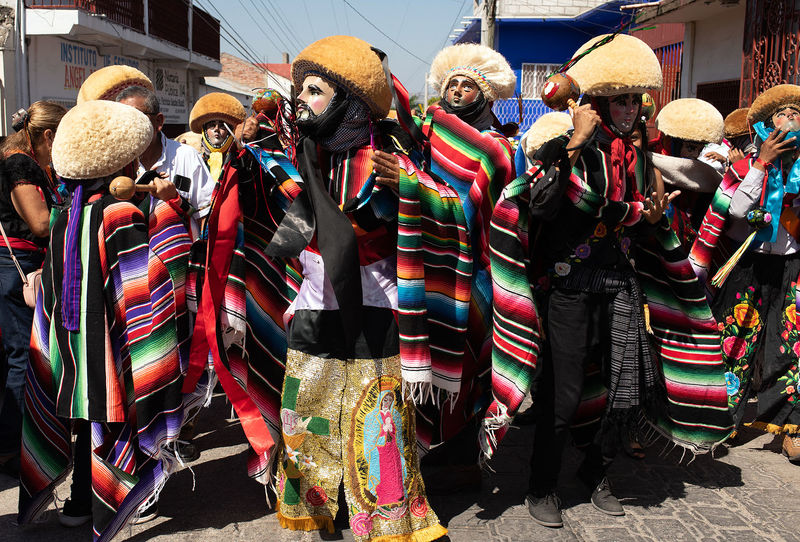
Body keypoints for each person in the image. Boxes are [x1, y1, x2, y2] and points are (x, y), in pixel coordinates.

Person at [488, 34, 733, 528]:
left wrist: (654, 214)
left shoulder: (641, 159)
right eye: (619, 99)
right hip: (570, 287)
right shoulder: (565, 147)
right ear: (598, 102)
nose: (629, 108)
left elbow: (675, 203)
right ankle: (543, 484)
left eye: (634, 99)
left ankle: (597, 473)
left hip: (620, 285)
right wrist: (578, 143)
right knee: (563, 392)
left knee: (624, 389)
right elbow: (541, 205)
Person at [16, 99, 191, 539]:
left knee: (83, 416)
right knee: (115, 415)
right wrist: (169, 210)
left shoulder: (67, 213)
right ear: (122, 160)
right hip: (113, 342)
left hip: (73, 340)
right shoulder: (119, 213)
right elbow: (151, 285)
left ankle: (77, 501)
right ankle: (108, 501)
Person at [690, 84, 800, 463]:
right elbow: (736, 209)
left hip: (792, 265)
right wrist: (761, 164)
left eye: (795, 116)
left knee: (790, 346)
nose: (790, 122)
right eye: (782, 116)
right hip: (749, 263)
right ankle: (722, 423)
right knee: (735, 342)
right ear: (768, 126)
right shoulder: (744, 164)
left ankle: (790, 428)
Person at [0, 101, 66, 477]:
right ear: (46, 135)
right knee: (22, 357)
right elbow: (41, 224)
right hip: (17, 269)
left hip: (16, 268)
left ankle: (16, 443)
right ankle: (11, 447)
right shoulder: (20, 164)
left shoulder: (21, 161)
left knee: (23, 355)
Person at [117, 85, 214, 240]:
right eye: (121, 119)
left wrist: (175, 200)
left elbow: (205, 218)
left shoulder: (187, 156)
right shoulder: (116, 164)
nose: (128, 125)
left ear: (158, 121)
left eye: (136, 117)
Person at [650, 98, 726, 249]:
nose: (696, 155)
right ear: (669, 142)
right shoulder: (647, 163)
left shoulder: (705, 175)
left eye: (700, 149)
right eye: (691, 148)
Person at [189, 92, 246, 182]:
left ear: (230, 130)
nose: (216, 129)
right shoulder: (195, 161)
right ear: (204, 131)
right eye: (212, 125)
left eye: (222, 126)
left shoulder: (241, 161)